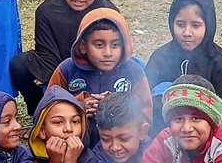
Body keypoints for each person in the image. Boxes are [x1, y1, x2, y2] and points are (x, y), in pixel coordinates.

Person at [9, 0, 118, 114]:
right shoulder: (47, 12)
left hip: (98, 73)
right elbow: (47, 57)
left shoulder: (108, 15)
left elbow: (113, 55)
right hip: (60, 73)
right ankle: (40, 109)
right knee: (19, 65)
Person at [47, 8, 152, 146]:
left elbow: (145, 112)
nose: (108, 53)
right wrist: (80, 105)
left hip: (120, 144)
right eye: (99, 45)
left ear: (124, 45)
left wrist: (113, 106)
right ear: (83, 46)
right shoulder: (67, 69)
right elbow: (49, 109)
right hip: (75, 144)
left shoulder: (134, 71)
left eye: (115, 44)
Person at [145, 0, 222, 133]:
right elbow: (144, 103)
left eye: (196, 25)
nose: (187, 32)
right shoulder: (160, 59)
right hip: (163, 137)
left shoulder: (221, 64)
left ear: (209, 25)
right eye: (180, 24)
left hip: (204, 140)